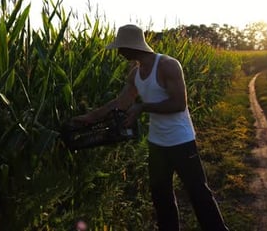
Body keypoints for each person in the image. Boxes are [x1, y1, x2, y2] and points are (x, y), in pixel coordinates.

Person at [72, 24, 229, 231]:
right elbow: (120, 103)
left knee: (198, 193)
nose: (118, 52)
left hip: (181, 141)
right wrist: (89, 118)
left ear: (131, 47)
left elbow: (179, 104)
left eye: (121, 48)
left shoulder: (168, 65)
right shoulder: (135, 73)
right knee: (161, 196)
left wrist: (143, 107)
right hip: (157, 143)